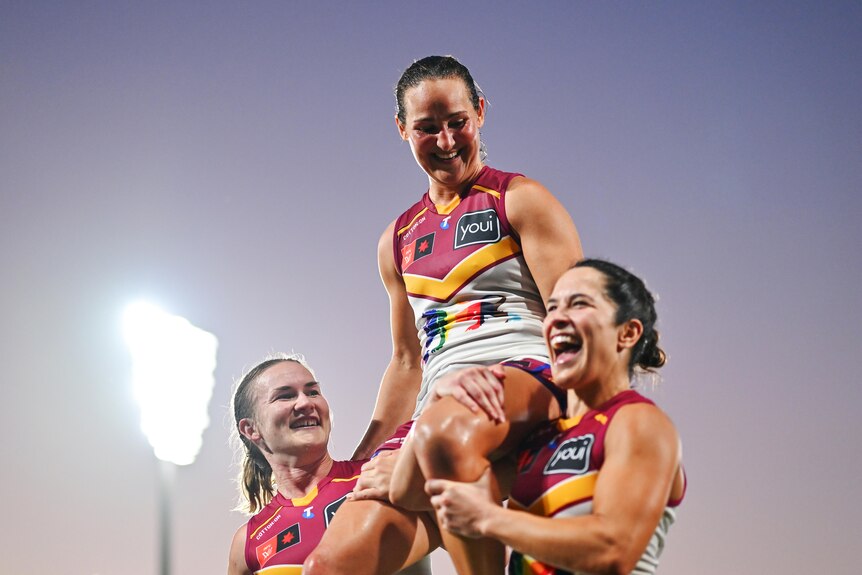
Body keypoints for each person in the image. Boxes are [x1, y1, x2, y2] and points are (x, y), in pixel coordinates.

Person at [307, 54, 582, 575]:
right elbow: (408, 363)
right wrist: (364, 459)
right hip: (440, 413)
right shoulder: (398, 239)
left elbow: (579, 330)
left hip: (527, 385)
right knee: (331, 565)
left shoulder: (521, 200)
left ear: (480, 112)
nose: (447, 141)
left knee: (442, 439)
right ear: (401, 130)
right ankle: (432, 469)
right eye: (427, 129)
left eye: (458, 122)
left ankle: (434, 467)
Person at [425, 259, 686, 575]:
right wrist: (440, 395)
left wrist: (488, 518)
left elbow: (613, 550)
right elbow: (410, 491)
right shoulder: (541, 438)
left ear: (627, 333)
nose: (558, 319)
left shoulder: (637, 422)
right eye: (552, 308)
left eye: (579, 304)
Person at [227, 354, 432, 575]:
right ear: (250, 429)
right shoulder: (248, 543)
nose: (306, 402)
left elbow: (407, 363)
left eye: (313, 392)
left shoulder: (377, 476)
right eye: (285, 396)